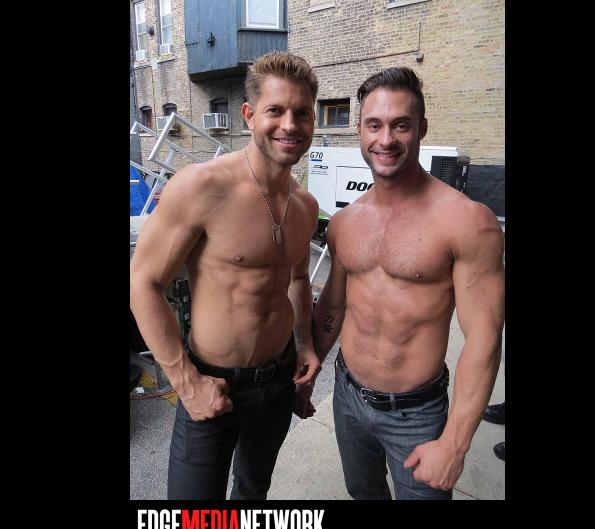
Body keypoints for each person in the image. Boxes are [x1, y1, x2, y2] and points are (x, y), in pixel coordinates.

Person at [130, 52, 321, 500]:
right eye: (276, 110)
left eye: (302, 113)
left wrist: (304, 344)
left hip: (278, 380)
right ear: (249, 115)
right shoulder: (202, 187)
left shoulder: (305, 206)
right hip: (211, 382)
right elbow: (143, 283)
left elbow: (297, 279)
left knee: (252, 493)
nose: (289, 125)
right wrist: (186, 383)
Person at [312, 67, 505, 500]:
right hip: (347, 396)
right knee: (363, 493)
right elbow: (334, 308)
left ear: (422, 128)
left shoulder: (467, 222)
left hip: (416, 414)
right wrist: (311, 367)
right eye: (374, 125)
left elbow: (484, 338)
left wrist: (455, 443)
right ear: (359, 130)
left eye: (401, 125)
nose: (386, 139)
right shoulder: (344, 222)